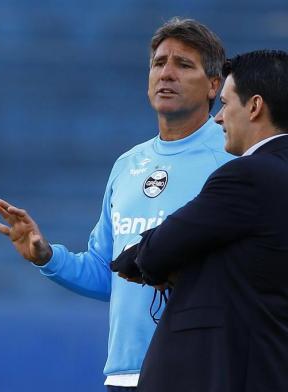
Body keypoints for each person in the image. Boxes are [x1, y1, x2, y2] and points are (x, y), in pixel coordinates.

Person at [0, 17, 233, 391]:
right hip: (125, 374)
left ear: (214, 85)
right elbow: (108, 274)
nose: (166, 73)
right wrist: (47, 256)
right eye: (158, 63)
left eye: (183, 65)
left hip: (199, 368)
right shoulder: (127, 165)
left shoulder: (233, 158)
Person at [112, 50, 288, 392]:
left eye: (224, 104)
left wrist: (158, 262)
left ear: (254, 107)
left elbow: (155, 251)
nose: (219, 118)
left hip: (224, 372)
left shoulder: (248, 175)